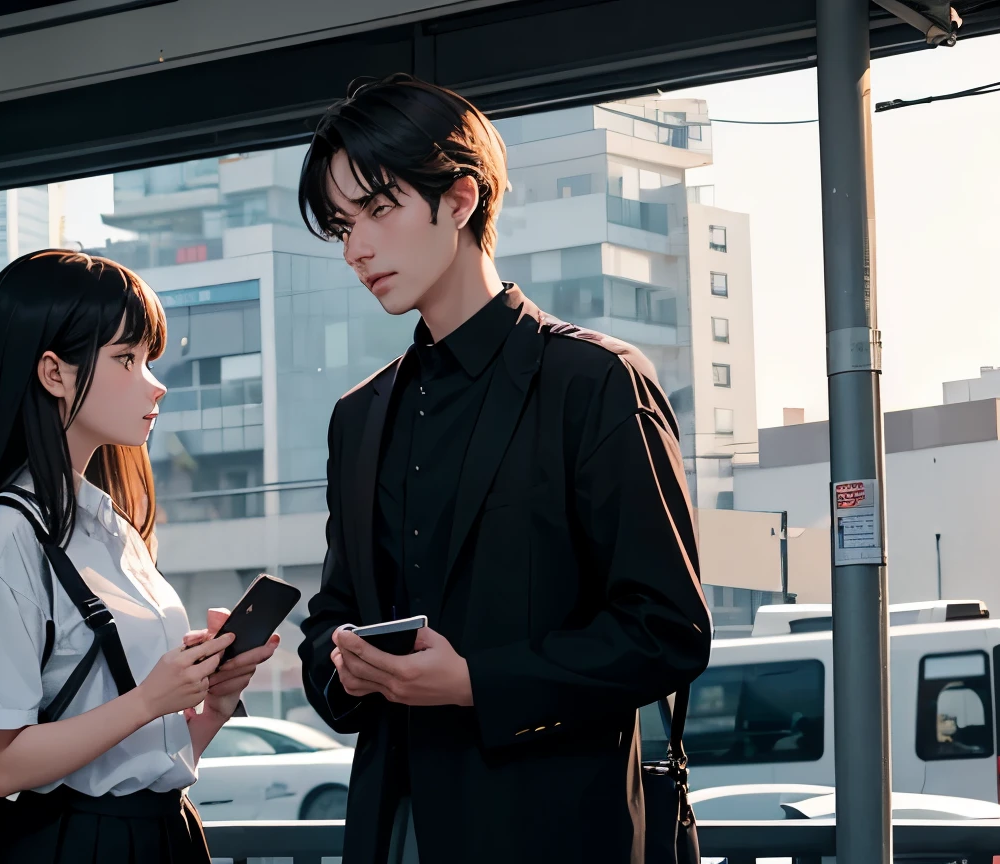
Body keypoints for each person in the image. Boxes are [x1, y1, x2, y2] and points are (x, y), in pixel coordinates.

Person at [295, 74, 713, 864]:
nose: (356, 250)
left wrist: (477, 682)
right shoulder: (359, 417)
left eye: (377, 211)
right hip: (392, 827)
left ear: (459, 199)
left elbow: (667, 631)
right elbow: (331, 617)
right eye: (343, 226)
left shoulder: (593, 383)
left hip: (549, 829)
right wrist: (344, 668)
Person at [0, 250, 278, 863]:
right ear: (53, 373)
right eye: (128, 359)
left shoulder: (112, 526)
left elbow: (145, 767)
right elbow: (4, 765)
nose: (156, 382)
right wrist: (150, 698)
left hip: (161, 832)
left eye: (148, 359)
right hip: (74, 845)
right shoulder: (10, 532)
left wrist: (211, 704)